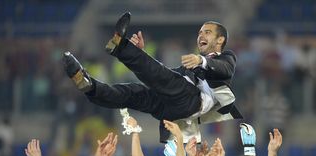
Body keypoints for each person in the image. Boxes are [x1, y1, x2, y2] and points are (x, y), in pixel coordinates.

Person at [63, 12, 242, 143]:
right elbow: (162, 75)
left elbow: (224, 69)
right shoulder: (190, 66)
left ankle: (120, 47)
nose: (201, 35)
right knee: (133, 93)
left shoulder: (226, 57)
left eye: (208, 32)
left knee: (165, 79)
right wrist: (141, 54)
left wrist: (201, 60)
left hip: (192, 101)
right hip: (171, 109)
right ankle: (89, 86)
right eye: (200, 33)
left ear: (220, 40)